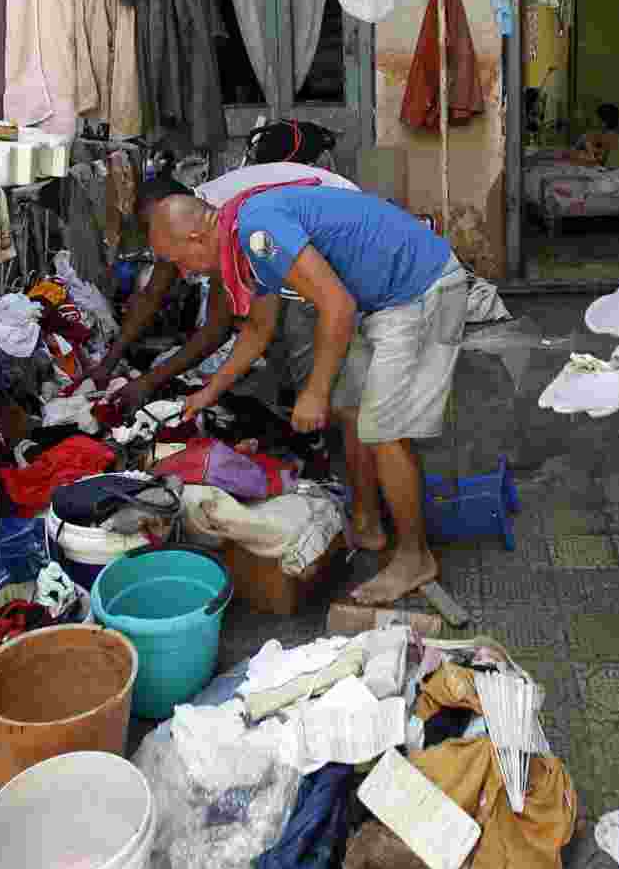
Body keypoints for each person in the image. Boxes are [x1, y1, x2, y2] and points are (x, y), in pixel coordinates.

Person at [148, 184, 468, 605]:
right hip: (384, 299)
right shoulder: (242, 241)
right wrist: (211, 391)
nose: (185, 272)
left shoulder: (257, 231)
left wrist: (314, 392)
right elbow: (259, 328)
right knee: (353, 411)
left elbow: (337, 307)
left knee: (385, 431)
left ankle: (415, 557)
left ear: (195, 237)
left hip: (420, 288)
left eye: (177, 260)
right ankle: (368, 525)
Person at [90, 163, 358, 412]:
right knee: (277, 334)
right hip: (322, 229)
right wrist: (108, 363)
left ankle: (321, 420)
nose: (184, 272)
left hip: (341, 236)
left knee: (308, 346)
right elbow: (152, 294)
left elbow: (217, 328)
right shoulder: (186, 221)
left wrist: (148, 383)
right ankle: (306, 413)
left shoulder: (223, 226)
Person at [565, 103, 619, 168]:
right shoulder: (588, 136)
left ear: (603, 122)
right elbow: (571, 154)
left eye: (595, 118)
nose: (591, 119)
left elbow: (611, 166)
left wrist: (587, 155)